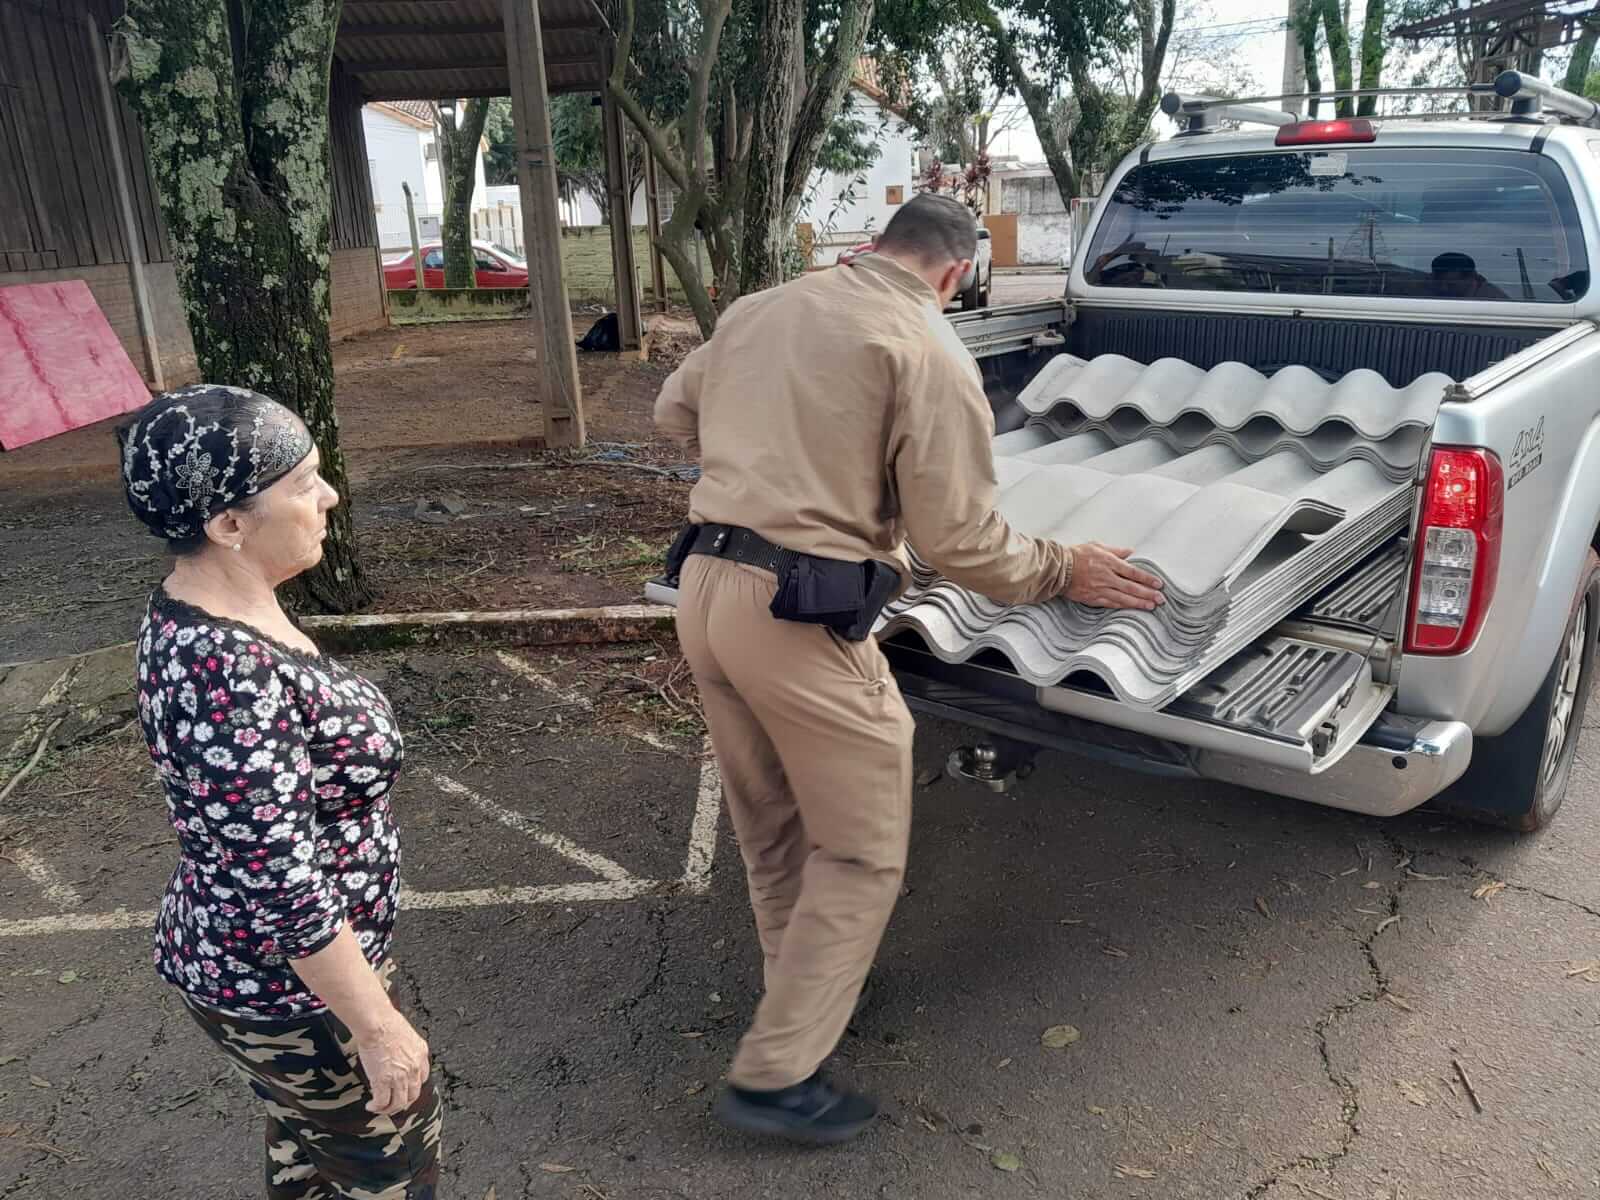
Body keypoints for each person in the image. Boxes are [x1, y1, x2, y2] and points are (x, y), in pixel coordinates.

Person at [655, 193, 1165, 1145]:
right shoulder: (927, 349)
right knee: (860, 848)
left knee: (773, 826)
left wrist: (774, 460)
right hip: (797, 618)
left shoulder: (762, 307)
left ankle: (801, 989)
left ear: (874, 248)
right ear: (955, 274)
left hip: (705, 590)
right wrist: (1065, 568)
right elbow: (960, 540)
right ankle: (775, 1077)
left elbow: (670, 409)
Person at [118, 385, 442, 1198]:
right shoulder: (223, 670)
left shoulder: (224, 612)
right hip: (283, 986)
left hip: (292, 973)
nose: (329, 496)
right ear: (228, 525)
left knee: (312, 1152)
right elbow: (278, 878)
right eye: (303, 483)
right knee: (388, 1166)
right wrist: (375, 1024)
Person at [1430, 251, 1507, 300]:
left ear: (1470, 278)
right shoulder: (1424, 287)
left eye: (1451, 285)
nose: (1443, 288)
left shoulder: (1492, 300)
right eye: (1439, 283)